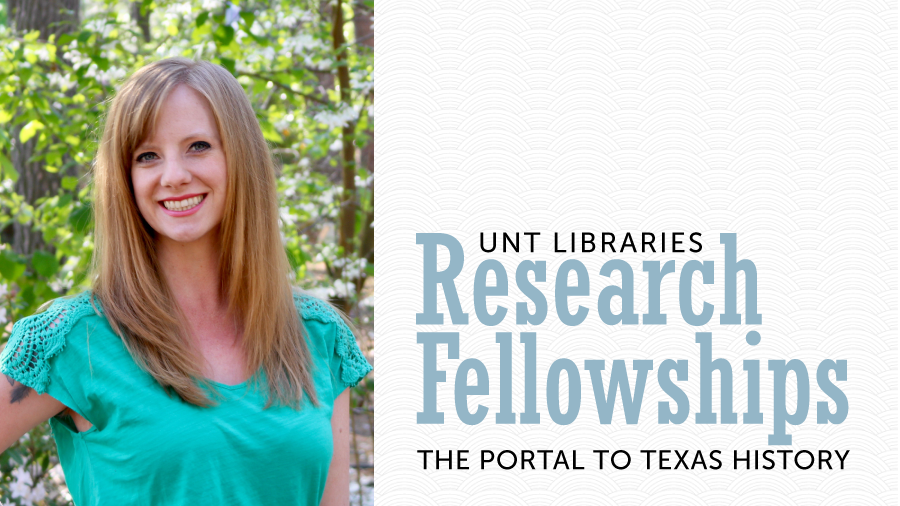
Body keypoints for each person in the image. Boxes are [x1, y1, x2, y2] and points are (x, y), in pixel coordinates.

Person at [0, 58, 372, 505]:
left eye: (198, 146)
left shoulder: (322, 338)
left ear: (241, 157)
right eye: (147, 155)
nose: (173, 175)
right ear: (126, 177)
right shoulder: (68, 341)